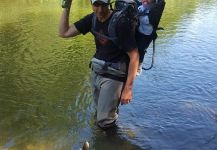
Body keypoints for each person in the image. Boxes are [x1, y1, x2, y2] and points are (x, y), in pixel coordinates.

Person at [59, 0, 139, 129]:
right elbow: (64, 33)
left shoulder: (121, 23)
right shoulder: (92, 19)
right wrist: (66, 7)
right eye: (96, 5)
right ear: (91, 4)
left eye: (104, 5)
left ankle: (110, 142)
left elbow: (134, 56)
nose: (100, 10)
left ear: (109, 3)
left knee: (104, 121)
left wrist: (128, 89)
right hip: (97, 71)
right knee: (100, 114)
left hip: (114, 76)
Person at [135, 0, 155, 75]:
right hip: (138, 29)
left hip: (146, 33)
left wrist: (137, 15)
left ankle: (139, 66)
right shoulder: (141, 6)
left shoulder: (154, 9)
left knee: (141, 49)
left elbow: (147, 20)